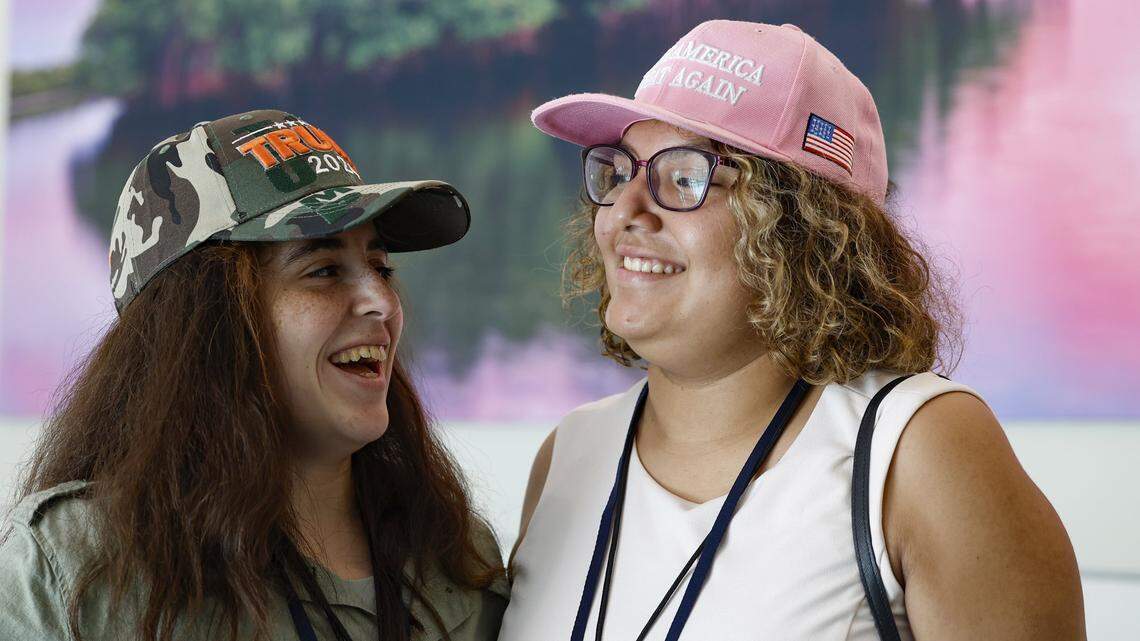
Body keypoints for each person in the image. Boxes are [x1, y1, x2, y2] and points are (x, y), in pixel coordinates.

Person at [500, 21, 1084, 641]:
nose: (624, 210)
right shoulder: (571, 453)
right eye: (620, 171)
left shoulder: (916, 448)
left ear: (805, 228)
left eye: (686, 178)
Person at [0, 109, 507, 641]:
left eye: (381, 267)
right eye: (324, 271)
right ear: (204, 325)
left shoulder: (458, 564)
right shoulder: (73, 569)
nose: (383, 302)